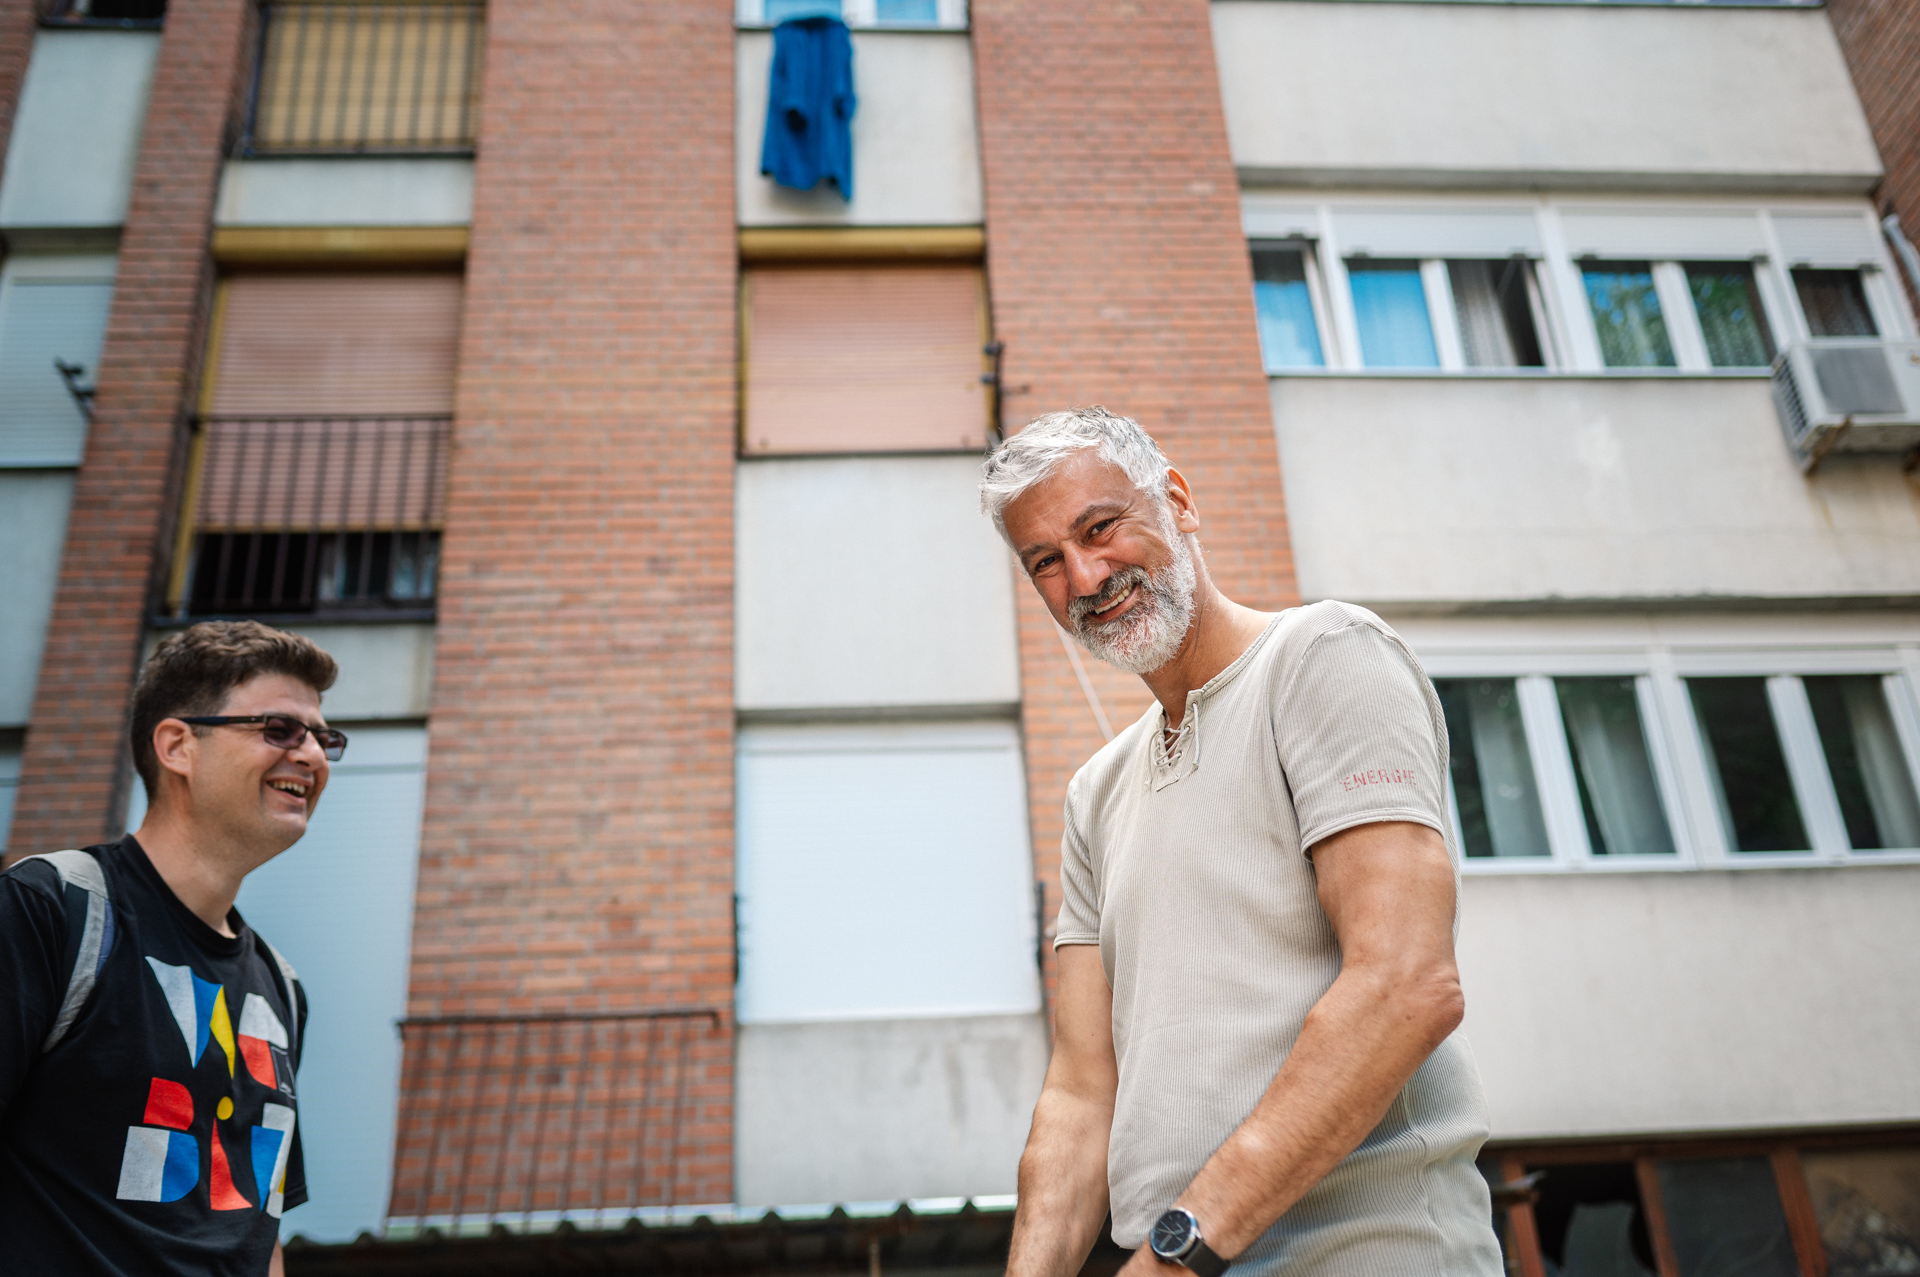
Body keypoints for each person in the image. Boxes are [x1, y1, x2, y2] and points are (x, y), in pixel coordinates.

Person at [982, 409, 1502, 1277]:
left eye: (1099, 527)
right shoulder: (1095, 794)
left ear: (1177, 501)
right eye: (1046, 561)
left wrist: (1177, 1253)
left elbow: (1407, 983)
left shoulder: (1325, 654)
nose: (1085, 575)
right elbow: (1079, 1094)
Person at [0, 621, 344, 1276]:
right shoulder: (53, 909)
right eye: (279, 728)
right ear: (178, 745)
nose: (312, 755)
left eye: (325, 738)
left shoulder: (282, 989)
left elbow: (257, 1228)